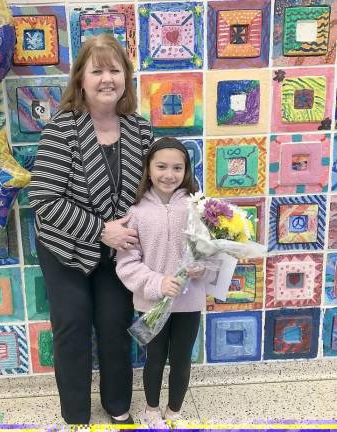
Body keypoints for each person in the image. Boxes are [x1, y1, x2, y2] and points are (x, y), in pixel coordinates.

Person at [29, 33, 153, 425]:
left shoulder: (140, 130)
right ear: (81, 77)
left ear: (126, 77)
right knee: (73, 325)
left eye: (114, 70)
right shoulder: (62, 129)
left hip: (119, 252)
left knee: (117, 324)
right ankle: (76, 415)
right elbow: (45, 202)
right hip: (65, 247)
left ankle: (117, 406)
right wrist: (102, 230)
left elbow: (152, 194)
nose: (106, 79)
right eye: (96, 70)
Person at [116, 137, 206, 429]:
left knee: (181, 360)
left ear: (187, 170)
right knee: (154, 358)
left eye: (177, 168)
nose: (169, 174)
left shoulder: (198, 208)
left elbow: (213, 250)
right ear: (148, 168)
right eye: (162, 166)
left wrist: (202, 266)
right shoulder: (135, 213)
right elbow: (127, 264)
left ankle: (174, 411)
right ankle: (152, 408)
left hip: (189, 302)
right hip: (152, 303)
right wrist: (158, 282)